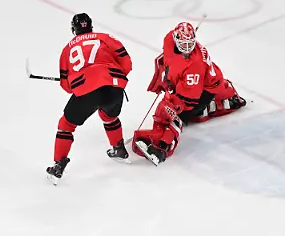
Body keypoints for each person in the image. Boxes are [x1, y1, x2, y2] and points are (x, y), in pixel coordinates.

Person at [132, 22, 246, 166]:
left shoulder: (194, 65)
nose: (187, 48)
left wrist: (172, 107)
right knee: (172, 108)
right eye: (183, 44)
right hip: (200, 81)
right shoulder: (169, 39)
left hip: (204, 89)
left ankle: (162, 147)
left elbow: (188, 100)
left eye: (190, 44)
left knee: (173, 113)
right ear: (176, 38)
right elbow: (168, 59)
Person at [46, 13, 133, 185]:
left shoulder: (67, 49)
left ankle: (58, 165)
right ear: (91, 26)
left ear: (74, 29)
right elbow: (126, 63)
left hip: (87, 90)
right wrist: (112, 77)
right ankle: (119, 149)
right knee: (108, 115)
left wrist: (82, 84)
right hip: (114, 87)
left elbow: (66, 86)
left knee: (66, 125)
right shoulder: (105, 38)